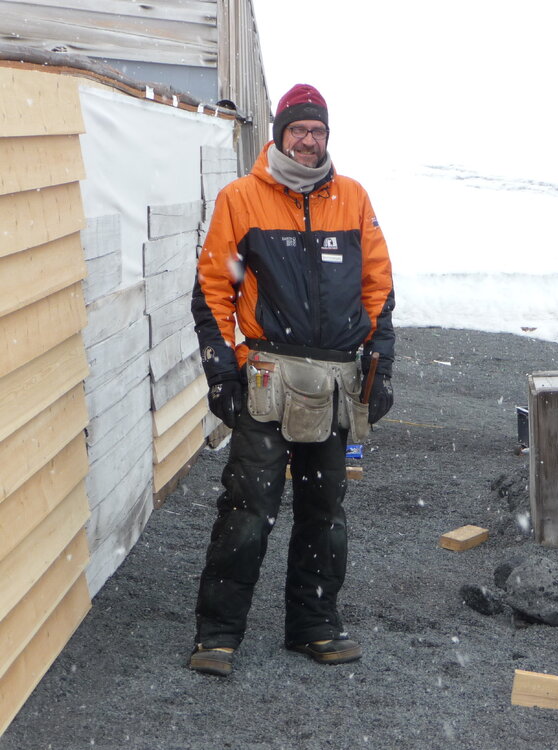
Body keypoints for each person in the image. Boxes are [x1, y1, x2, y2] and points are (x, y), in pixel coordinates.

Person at [188, 83, 395, 677]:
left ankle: (313, 626)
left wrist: (381, 366)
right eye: (299, 130)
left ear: (328, 137)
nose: (309, 140)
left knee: (324, 510)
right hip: (266, 377)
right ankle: (219, 634)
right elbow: (212, 289)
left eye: (319, 131)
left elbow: (379, 291)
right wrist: (221, 368)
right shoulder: (241, 199)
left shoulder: (352, 199)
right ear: (278, 133)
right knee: (247, 509)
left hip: (335, 380)